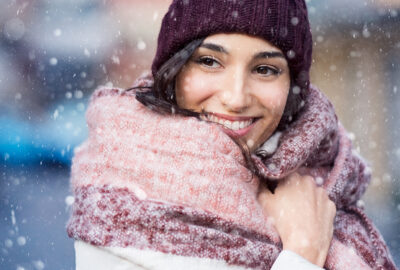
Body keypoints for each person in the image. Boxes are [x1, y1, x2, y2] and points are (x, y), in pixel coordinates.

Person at [67, 0, 397, 269]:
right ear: (175, 70)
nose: (236, 98)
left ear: (292, 88)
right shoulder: (127, 196)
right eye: (210, 62)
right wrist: (302, 253)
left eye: (265, 69)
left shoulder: (319, 179)